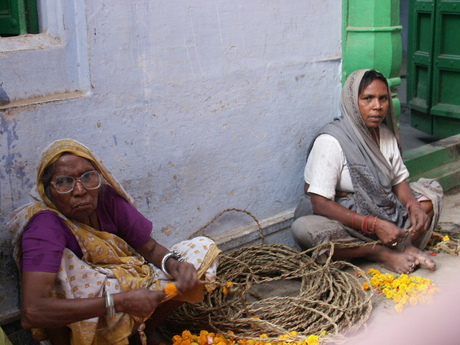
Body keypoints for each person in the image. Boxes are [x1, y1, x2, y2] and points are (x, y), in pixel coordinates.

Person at [8, 139, 221, 345]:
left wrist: (175, 265)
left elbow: (150, 247)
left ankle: (141, 334)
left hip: (124, 281)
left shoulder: (105, 197)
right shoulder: (45, 225)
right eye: (64, 181)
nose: (80, 190)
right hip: (89, 304)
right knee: (60, 271)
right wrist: (119, 301)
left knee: (201, 249)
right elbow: (32, 312)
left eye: (88, 177)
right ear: (48, 191)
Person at [291, 69, 443, 275]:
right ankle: (378, 252)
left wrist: (413, 206)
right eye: (368, 99)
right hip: (349, 220)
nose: (377, 107)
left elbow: (398, 181)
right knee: (305, 229)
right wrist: (373, 224)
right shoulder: (332, 140)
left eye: (383, 99)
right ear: (353, 102)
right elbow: (319, 203)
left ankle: (405, 244)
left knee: (430, 195)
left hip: (384, 209)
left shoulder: (386, 135)